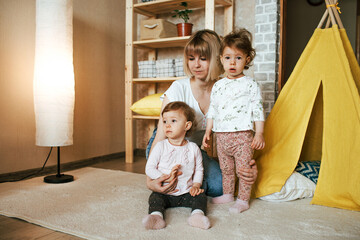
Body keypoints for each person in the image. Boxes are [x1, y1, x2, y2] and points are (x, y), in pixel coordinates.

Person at [146, 29, 258, 199]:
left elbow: (240, 131)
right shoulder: (178, 88)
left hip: (193, 151)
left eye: (203, 59)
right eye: (191, 59)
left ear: (218, 59)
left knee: (221, 186)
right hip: (165, 147)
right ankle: (186, 183)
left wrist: (248, 165)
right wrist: (150, 180)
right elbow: (161, 136)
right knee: (173, 182)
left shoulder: (226, 89)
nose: (196, 65)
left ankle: (190, 181)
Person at [202, 28, 265, 213]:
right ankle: (228, 194)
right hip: (221, 137)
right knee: (226, 169)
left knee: (243, 170)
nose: (232, 62)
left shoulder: (250, 84)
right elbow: (212, 109)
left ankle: (243, 199)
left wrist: (259, 133)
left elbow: (257, 110)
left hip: (242, 137)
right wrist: (208, 131)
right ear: (221, 59)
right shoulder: (218, 86)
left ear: (247, 59)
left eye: (238, 58)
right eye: (228, 57)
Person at [143, 102, 210, 230]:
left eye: (173, 121)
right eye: (164, 121)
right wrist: (165, 177)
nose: (167, 125)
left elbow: (199, 169)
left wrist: (196, 185)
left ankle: (197, 215)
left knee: (201, 196)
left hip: (186, 191)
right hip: (165, 191)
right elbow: (149, 168)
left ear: (187, 125)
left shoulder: (193, 148)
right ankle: (156, 217)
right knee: (155, 198)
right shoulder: (161, 146)